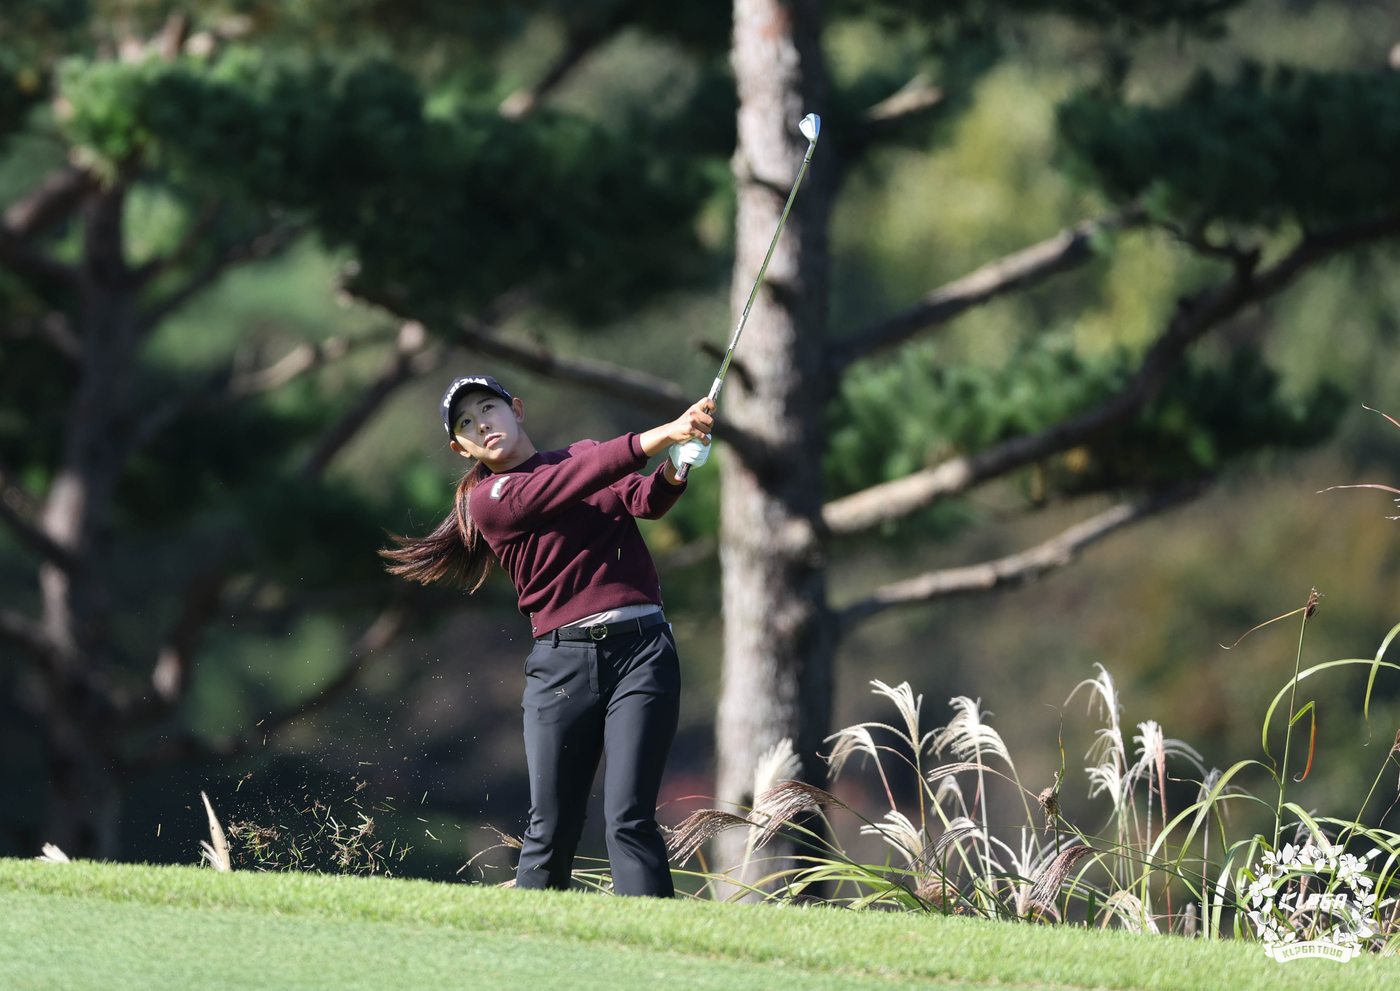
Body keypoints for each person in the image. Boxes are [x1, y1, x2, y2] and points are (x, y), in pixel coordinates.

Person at [381, 374, 713, 897]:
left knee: (630, 819)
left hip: (643, 652)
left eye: (488, 408)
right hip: (564, 667)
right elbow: (582, 475)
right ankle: (528, 954)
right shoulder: (491, 499)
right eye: (466, 423)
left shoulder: (580, 455)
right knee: (551, 829)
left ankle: (654, 959)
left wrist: (677, 466)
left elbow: (645, 500)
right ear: (459, 447)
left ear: (516, 408)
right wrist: (666, 433)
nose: (481, 424)